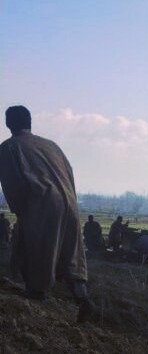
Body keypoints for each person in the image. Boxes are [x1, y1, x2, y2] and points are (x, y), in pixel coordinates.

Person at [0, 106, 94, 321]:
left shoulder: (9, 147)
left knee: (31, 247)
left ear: (8, 123)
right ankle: (84, 300)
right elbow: (69, 173)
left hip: (41, 201)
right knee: (70, 253)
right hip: (68, 202)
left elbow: (12, 184)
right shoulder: (51, 146)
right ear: (30, 122)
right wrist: (70, 202)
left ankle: (36, 294)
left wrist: (22, 210)